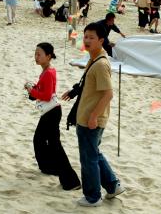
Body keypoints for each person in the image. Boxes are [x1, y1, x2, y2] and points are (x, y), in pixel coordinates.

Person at [61, 23, 125, 207]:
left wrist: (93, 116)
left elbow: (108, 94)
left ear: (101, 41)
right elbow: (89, 84)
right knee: (94, 153)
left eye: (91, 37)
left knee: (88, 158)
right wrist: (74, 91)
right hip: (88, 115)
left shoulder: (101, 64)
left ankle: (93, 197)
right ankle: (112, 186)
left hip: (91, 119)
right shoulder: (94, 59)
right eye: (85, 36)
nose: (87, 40)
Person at [25, 42, 81, 191]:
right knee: (40, 140)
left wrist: (33, 91)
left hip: (52, 112)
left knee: (54, 145)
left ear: (48, 56)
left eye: (39, 54)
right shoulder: (46, 71)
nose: (36, 57)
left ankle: (71, 181)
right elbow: (43, 90)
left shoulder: (49, 72)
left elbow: (46, 95)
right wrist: (33, 88)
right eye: (35, 53)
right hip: (50, 111)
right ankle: (49, 168)